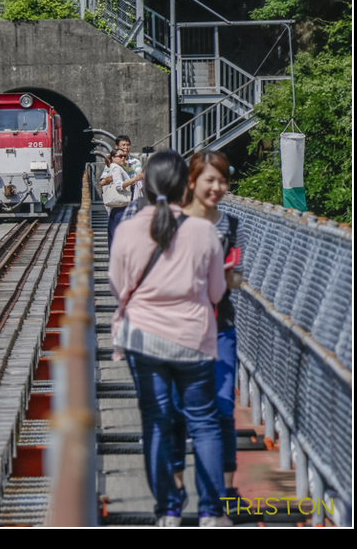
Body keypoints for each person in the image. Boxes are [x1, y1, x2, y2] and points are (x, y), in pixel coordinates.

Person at [108, 150, 230, 527]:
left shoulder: (127, 230)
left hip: (143, 341)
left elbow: (117, 287)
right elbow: (215, 292)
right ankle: (211, 512)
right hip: (193, 339)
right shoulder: (202, 230)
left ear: (144, 186)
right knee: (205, 423)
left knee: (156, 423)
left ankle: (169, 510)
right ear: (185, 187)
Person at [173, 150, 242, 498]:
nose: (217, 187)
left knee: (223, 407)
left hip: (221, 325)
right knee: (177, 410)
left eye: (222, 180)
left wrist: (226, 276)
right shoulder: (173, 224)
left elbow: (237, 276)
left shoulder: (229, 224)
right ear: (192, 181)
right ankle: (177, 489)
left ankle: (225, 491)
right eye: (210, 179)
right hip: (180, 330)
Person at [104, 148, 136, 254]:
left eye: (124, 156)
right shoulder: (116, 168)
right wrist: (135, 179)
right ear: (113, 158)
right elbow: (119, 186)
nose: (123, 158)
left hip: (116, 209)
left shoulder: (113, 167)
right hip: (120, 208)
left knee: (114, 238)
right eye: (120, 156)